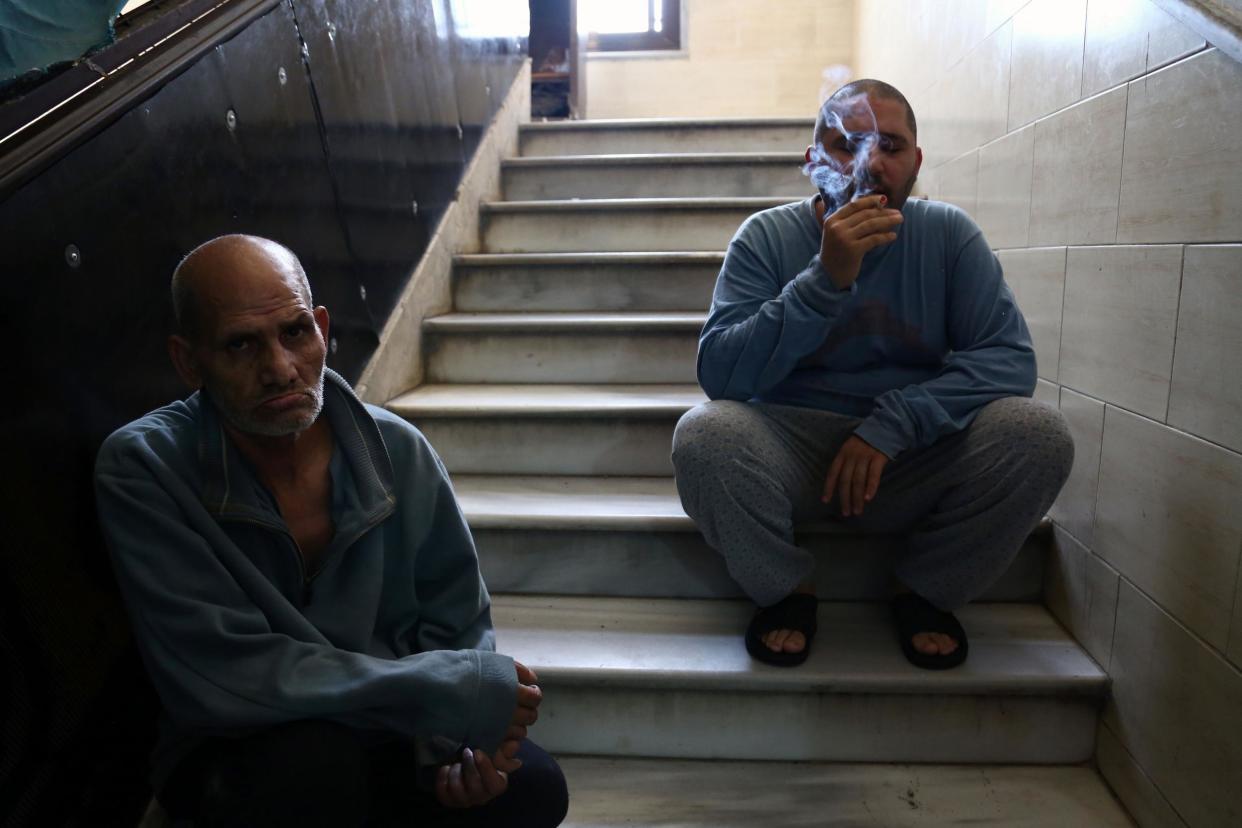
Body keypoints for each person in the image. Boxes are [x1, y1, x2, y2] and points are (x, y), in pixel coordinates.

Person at [94, 235, 568, 827]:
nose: (279, 369)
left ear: (321, 326)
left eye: (294, 332)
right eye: (241, 345)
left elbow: (457, 623)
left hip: (392, 723)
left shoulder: (399, 448)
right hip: (245, 737)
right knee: (316, 769)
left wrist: (452, 746)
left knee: (530, 789)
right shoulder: (144, 467)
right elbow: (225, 674)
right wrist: (439, 687)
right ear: (189, 362)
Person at [671, 79, 1073, 670]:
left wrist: (894, 424)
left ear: (916, 161)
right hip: (791, 454)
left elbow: (1008, 359)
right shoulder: (765, 237)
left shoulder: (947, 235)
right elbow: (722, 376)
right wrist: (823, 280)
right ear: (814, 162)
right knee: (704, 436)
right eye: (846, 144)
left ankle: (925, 589)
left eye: (890, 145)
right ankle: (787, 588)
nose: (871, 163)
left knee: (1039, 435)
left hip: (912, 456)